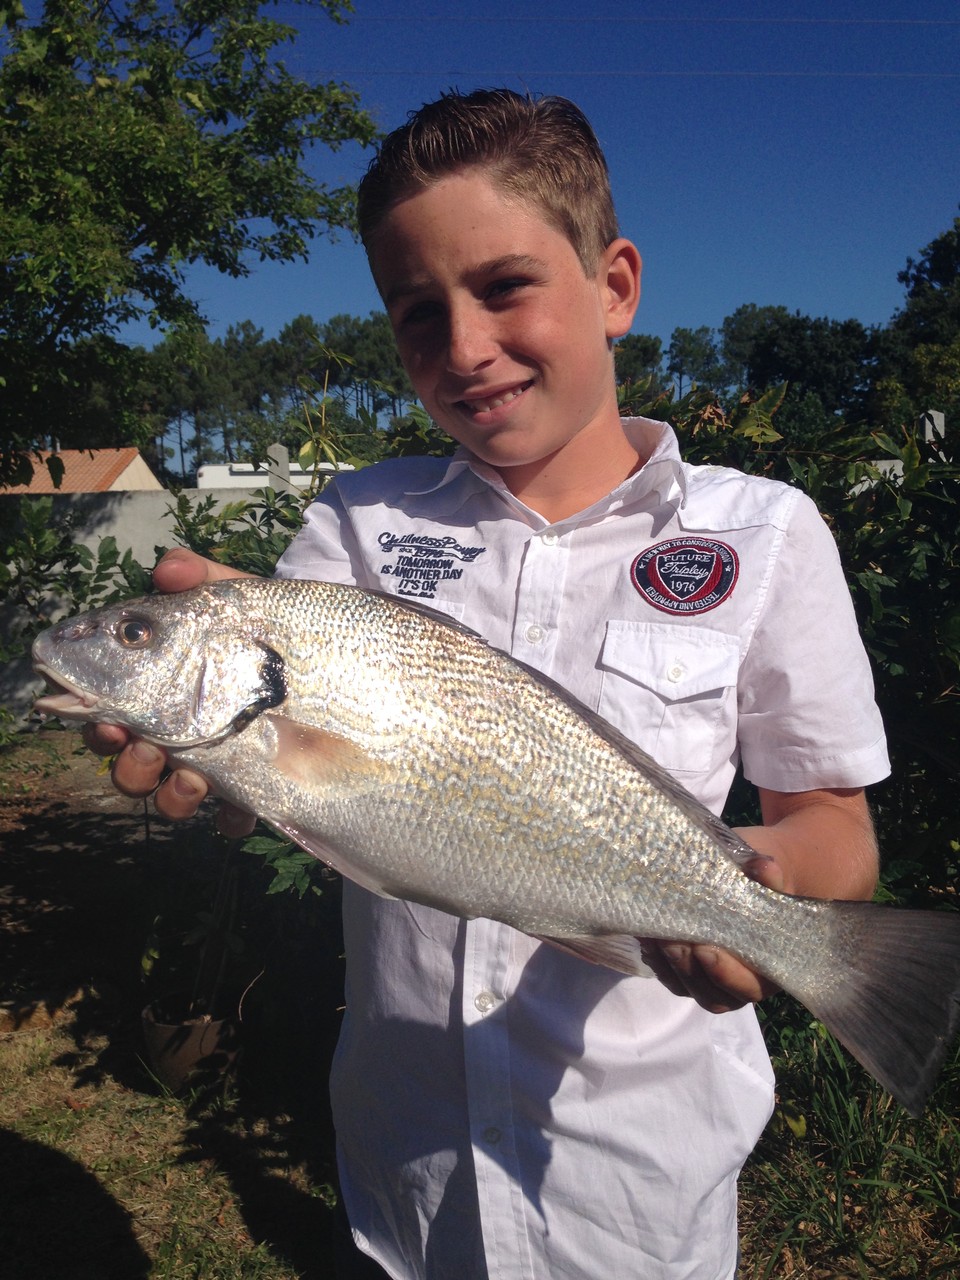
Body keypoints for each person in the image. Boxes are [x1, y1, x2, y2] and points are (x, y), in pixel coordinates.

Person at [88, 89, 888, 1280]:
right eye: (417, 313)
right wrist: (216, 756)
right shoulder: (357, 520)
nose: (463, 348)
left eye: (505, 285)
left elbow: (836, 825)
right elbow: (298, 783)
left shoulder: (762, 531)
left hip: (638, 1179)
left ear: (615, 286)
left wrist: (764, 899)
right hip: (408, 1157)